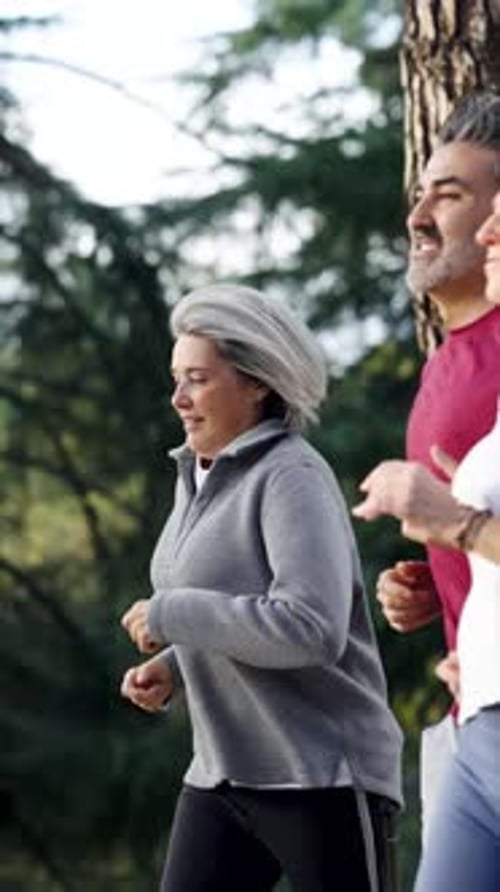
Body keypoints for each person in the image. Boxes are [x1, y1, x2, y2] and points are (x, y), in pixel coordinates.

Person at [119, 283, 403, 892]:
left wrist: (175, 615)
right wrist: (176, 663)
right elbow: (236, 607)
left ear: (257, 382)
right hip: (223, 774)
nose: (177, 398)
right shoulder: (195, 475)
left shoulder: (291, 475)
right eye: (176, 378)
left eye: (197, 378)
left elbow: (310, 628)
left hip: (323, 777)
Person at [354, 190, 500, 891]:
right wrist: (448, 600)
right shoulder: (454, 370)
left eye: (452, 194)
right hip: (474, 718)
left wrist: (459, 525)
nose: (493, 229)